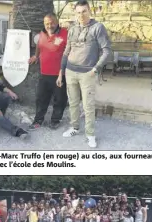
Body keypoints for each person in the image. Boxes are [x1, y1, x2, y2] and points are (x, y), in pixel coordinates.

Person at [57, 0, 111, 148]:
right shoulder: (72, 29)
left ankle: (90, 134)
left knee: (88, 106)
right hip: (70, 71)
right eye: (79, 12)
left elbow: (106, 50)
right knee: (73, 103)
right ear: (76, 13)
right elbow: (66, 51)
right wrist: (61, 72)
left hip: (88, 73)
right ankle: (74, 127)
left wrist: (96, 68)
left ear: (90, 11)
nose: (81, 15)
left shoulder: (97, 28)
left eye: (84, 11)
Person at [28, 13, 68, 130]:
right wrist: (36, 56)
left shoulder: (65, 33)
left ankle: (55, 120)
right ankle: (38, 120)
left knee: (59, 99)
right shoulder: (42, 34)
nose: (49, 26)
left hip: (60, 74)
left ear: (57, 22)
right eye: (46, 23)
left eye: (52, 23)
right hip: (44, 73)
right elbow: (39, 46)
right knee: (41, 98)